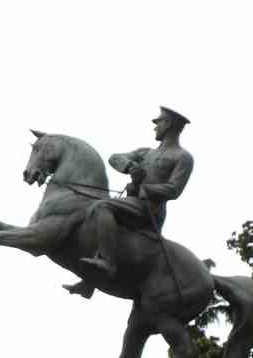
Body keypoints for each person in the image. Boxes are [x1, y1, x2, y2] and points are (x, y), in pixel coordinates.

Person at [73, 106, 194, 296]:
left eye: (158, 122)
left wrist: (144, 188)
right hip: (132, 204)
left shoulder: (182, 157)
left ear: (168, 124)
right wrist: (130, 167)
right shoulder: (146, 153)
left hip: (150, 209)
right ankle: (90, 281)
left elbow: (174, 189)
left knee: (102, 206)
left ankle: (107, 262)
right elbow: (115, 158)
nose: (155, 127)